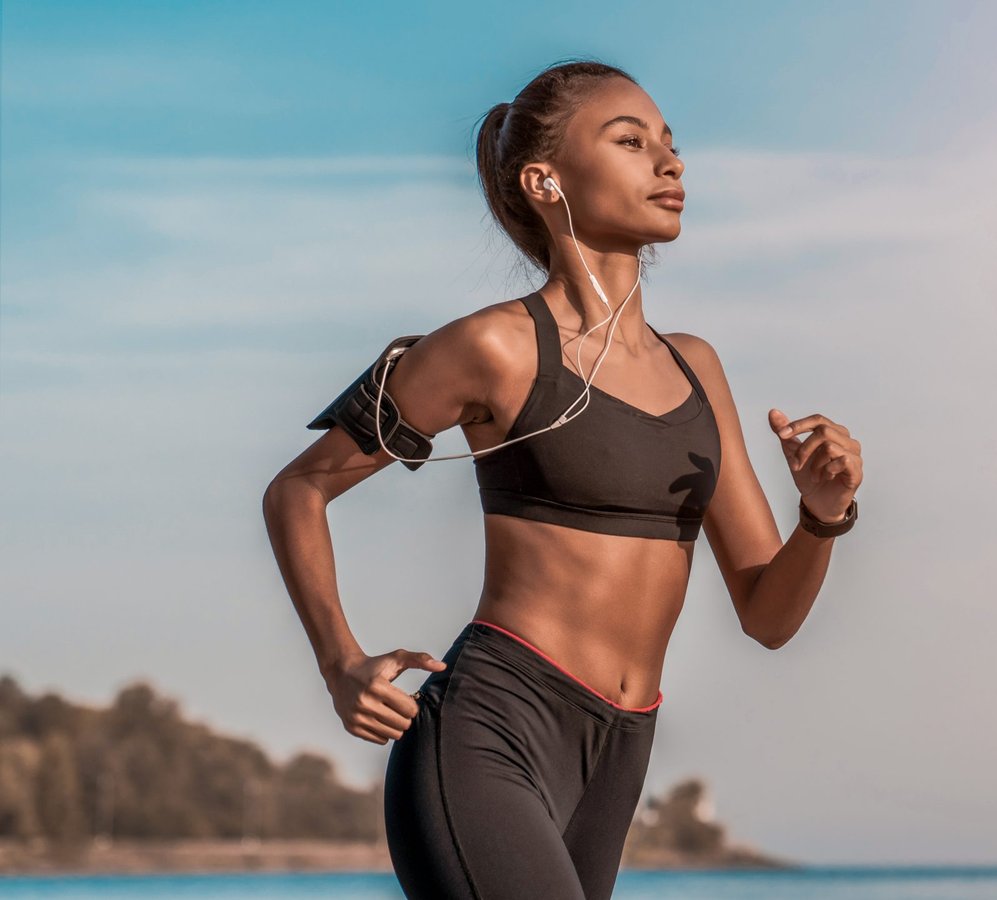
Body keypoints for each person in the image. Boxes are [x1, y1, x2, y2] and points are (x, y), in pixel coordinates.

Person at [260, 58, 864, 900]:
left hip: (619, 757)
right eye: (631, 141)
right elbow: (300, 487)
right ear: (544, 180)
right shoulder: (495, 348)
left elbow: (767, 615)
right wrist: (339, 663)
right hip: (493, 732)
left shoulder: (698, 369)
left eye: (670, 145)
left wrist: (823, 516)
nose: (670, 162)